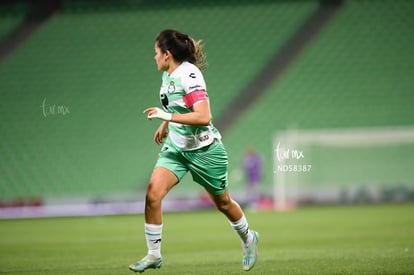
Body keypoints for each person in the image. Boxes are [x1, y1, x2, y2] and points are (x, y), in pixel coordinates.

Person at [129, 29, 259, 273]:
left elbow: (203, 115)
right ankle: (154, 255)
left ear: (167, 54)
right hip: (177, 149)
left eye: (156, 53)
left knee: (223, 203)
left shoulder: (190, 74)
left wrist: (165, 115)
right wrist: (166, 124)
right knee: (152, 195)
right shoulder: (168, 75)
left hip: (204, 151)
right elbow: (179, 103)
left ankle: (249, 239)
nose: (154, 57)